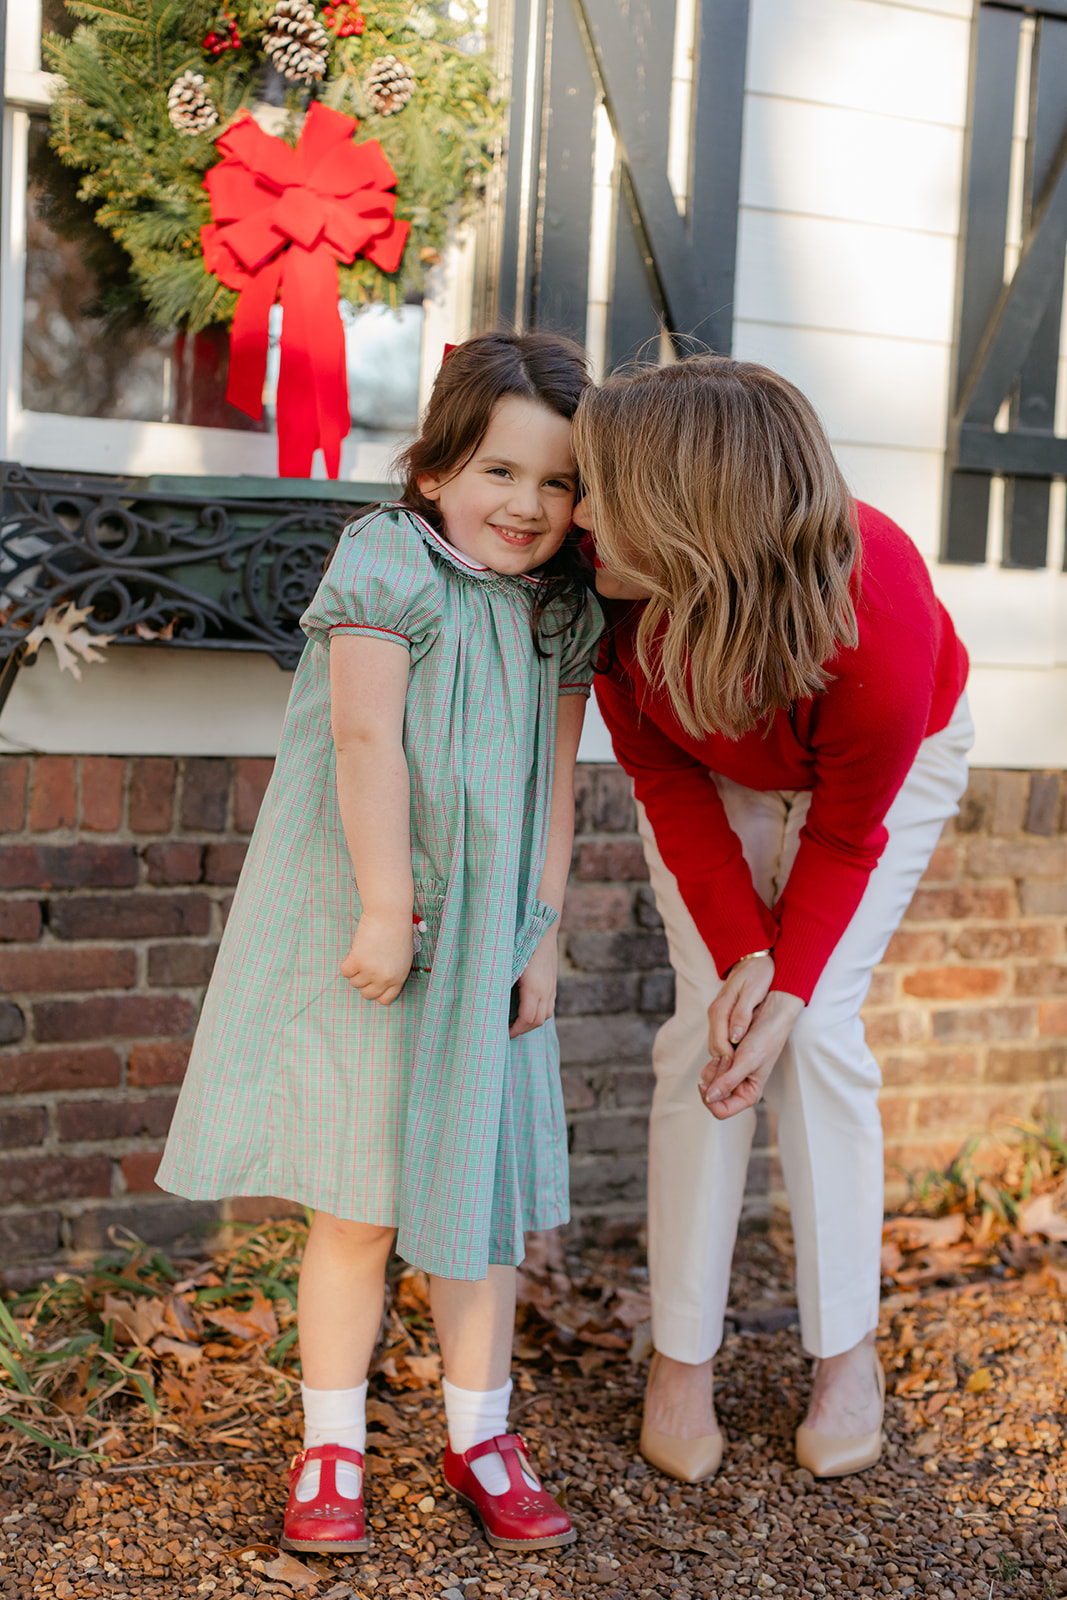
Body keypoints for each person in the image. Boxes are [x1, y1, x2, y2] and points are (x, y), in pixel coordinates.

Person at [157, 332, 602, 1553]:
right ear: (435, 471)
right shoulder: (385, 564)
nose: (526, 504)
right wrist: (384, 906)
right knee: (356, 1206)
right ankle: (333, 1446)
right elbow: (362, 745)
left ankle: (480, 1433)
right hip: (374, 922)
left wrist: (542, 934)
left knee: (477, 1205)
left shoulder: (560, 611)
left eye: (556, 483)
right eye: (500, 472)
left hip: (490, 942)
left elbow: (556, 787)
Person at [571, 354, 971, 1482]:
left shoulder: (872, 606)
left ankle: (846, 1352)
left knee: (818, 1031)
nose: (578, 514)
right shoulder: (607, 600)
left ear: (687, 511)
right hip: (714, 776)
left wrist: (788, 982)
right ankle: (679, 1356)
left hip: (882, 774)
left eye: (603, 492)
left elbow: (845, 836)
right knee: (709, 1023)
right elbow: (665, 784)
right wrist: (743, 952)